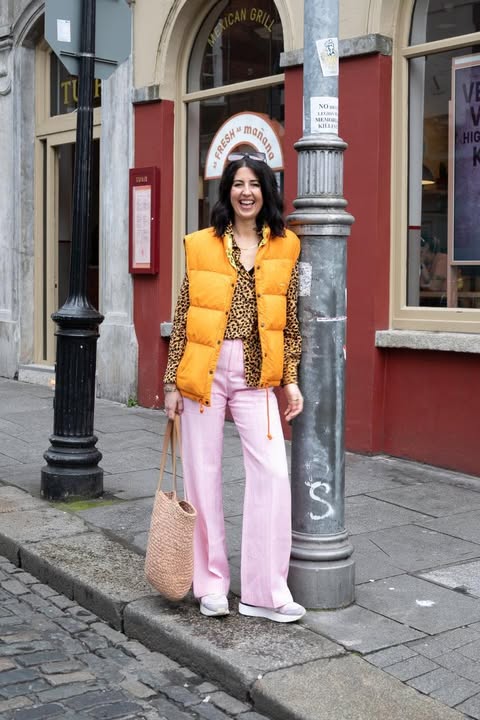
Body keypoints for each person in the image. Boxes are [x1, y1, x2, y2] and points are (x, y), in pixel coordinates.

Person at [163, 150, 306, 623]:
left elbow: (290, 321)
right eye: (238, 184)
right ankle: (211, 584)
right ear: (227, 191)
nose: (246, 192)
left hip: (256, 369)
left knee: (272, 473)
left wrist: (291, 380)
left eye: (255, 184)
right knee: (202, 474)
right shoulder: (201, 244)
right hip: (204, 367)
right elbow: (183, 316)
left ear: (266, 192)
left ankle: (265, 591)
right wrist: (170, 384)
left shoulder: (286, 245)